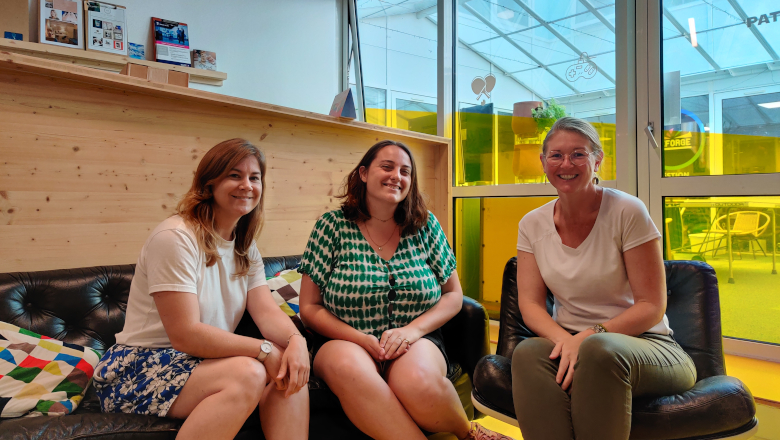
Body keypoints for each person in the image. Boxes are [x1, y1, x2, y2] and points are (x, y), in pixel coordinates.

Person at [93, 139, 309, 440]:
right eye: (234, 175)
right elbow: (186, 334)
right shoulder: (175, 237)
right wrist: (264, 349)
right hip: (137, 369)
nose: (246, 185)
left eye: (254, 177)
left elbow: (266, 310)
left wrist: (295, 342)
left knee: (290, 368)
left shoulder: (245, 246)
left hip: (201, 363)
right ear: (209, 184)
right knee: (251, 372)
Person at [299, 140, 513, 440]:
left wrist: (411, 332)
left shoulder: (425, 226)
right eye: (386, 167)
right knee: (351, 369)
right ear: (363, 173)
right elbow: (308, 308)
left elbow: (453, 294)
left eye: (405, 171)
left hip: (416, 338)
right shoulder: (331, 226)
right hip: (345, 340)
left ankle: (468, 433)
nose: (396, 176)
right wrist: (361, 339)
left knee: (417, 381)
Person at [511, 117, 697, 440]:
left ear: (598, 160)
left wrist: (589, 336)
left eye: (578, 154)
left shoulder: (628, 211)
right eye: (556, 155)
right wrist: (566, 340)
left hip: (648, 344)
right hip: (572, 341)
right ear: (543, 162)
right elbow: (529, 304)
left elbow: (652, 305)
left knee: (599, 350)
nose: (566, 164)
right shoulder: (531, 224)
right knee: (527, 354)